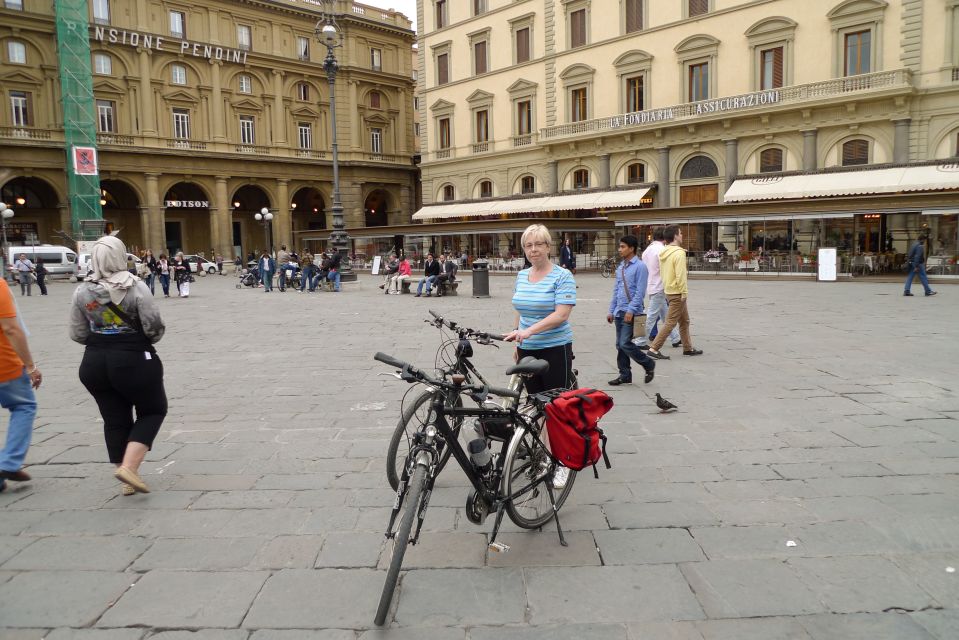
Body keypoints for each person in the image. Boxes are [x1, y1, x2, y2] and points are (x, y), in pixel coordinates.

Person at [69, 236, 166, 496]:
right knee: (153, 410)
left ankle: (126, 479)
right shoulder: (136, 287)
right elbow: (154, 328)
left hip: (93, 363)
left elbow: (77, 333)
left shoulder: (82, 291)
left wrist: (103, 336)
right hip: (133, 359)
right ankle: (129, 468)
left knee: (114, 419)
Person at [504, 224, 576, 489]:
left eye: (538, 244)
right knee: (537, 406)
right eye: (528, 245)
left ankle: (563, 462)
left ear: (548, 246)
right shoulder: (522, 275)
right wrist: (517, 334)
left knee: (557, 408)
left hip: (555, 349)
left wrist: (529, 331)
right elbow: (519, 309)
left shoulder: (562, 276)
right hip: (527, 349)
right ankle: (545, 455)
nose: (533, 250)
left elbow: (561, 314)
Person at [0, 275, 42, 493]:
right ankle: (7, 463)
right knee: (24, 407)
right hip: (4, 365)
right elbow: (10, 328)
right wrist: (30, 366)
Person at [648, 225, 703, 358]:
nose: (682, 235)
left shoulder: (664, 252)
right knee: (670, 322)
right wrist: (684, 292)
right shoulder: (678, 253)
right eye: (680, 233)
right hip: (677, 292)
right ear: (675, 236)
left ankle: (687, 348)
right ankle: (654, 348)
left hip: (669, 290)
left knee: (684, 321)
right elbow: (681, 275)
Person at [607, 235, 655, 386]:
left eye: (623, 247)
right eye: (619, 246)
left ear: (632, 248)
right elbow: (617, 290)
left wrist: (631, 310)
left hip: (631, 312)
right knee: (619, 345)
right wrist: (611, 310)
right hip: (619, 311)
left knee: (624, 343)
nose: (619, 249)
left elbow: (640, 292)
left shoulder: (640, 267)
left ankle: (648, 363)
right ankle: (625, 374)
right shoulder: (621, 267)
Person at [641, 227, 681, 351]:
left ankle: (675, 337)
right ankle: (640, 339)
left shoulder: (647, 250)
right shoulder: (662, 250)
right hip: (660, 285)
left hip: (651, 284)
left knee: (665, 313)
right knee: (652, 315)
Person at [904, 233, 937, 297]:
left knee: (910, 277)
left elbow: (910, 254)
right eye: (924, 240)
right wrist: (916, 266)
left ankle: (906, 291)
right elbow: (917, 256)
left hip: (912, 262)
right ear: (922, 240)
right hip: (918, 263)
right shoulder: (919, 246)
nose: (924, 242)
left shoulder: (914, 244)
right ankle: (928, 291)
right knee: (923, 276)